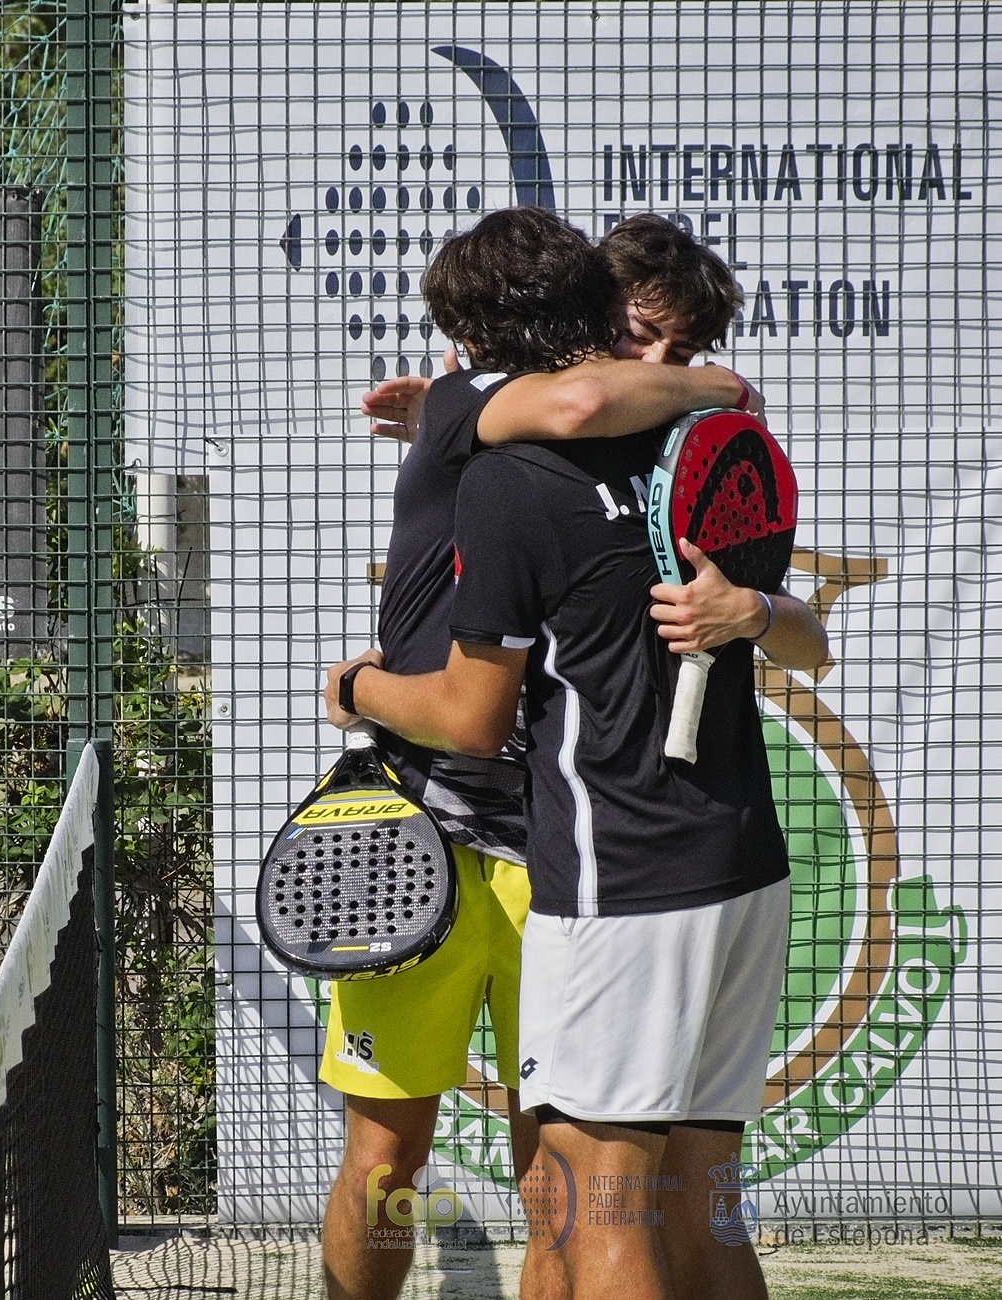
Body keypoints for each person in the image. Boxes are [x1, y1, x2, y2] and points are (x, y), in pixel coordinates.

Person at [325, 212, 827, 1300]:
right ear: (591, 315)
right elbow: (574, 402)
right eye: (643, 335)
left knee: (589, 1196)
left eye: (681, 350)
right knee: (398, 1163)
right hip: (464, 837)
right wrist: (723, 388)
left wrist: (355, 688)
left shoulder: (665, 452)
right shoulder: (509, 420)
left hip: (608, 869)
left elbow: (474, 707)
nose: (657, 365)